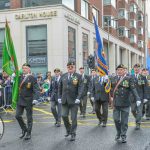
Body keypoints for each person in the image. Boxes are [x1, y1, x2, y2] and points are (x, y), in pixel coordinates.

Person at [110, 64, 140, 143]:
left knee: (124, 121)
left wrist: (137, 99)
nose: (119, 71)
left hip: (125, 103)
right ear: (116, 71)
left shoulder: (128, 79)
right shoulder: (113, 78)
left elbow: (133, 89)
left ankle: (123, 135)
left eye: (121, 70)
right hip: (116, 103)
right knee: (116, 119)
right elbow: (110, 89)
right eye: (118, 70)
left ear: (124, 71)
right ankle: (118, 132)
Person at [58, 61, 82, 141]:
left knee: (73, 118)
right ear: (67, 68)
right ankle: (68, 129)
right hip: (64, 100)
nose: (70, 69)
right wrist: (59, 97)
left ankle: (73, 133)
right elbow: (60, 87)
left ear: (74, 68)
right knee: (64, 115)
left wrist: (78, 97)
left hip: (74, 100)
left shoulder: (78, 76)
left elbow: (80, 88)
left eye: (72, 67)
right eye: (69, 67)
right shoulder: (63, 76)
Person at [15, 63, 40, 140]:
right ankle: (24, 129)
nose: (24, 69)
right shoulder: (19, 77)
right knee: (17, 116)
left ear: (29, 69)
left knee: (29, 118)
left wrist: (35, 98)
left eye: (25, 68)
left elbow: (36, 89)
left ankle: (28, 133)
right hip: (20, 100)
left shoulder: (32, 78)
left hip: (28, 100)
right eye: (23, 68)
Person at [130, 64, 146, 130]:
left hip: (140, 97)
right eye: (135, 68)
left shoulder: (143, 77)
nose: (136, 69)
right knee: (133, 110)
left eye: (137, 68)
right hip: (133, 97)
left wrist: (145, 97)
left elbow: (145, 88)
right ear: (133, 69)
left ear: (139, 69)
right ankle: (137, 118)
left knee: (139, 111)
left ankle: (138, 123)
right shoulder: (130, 77)